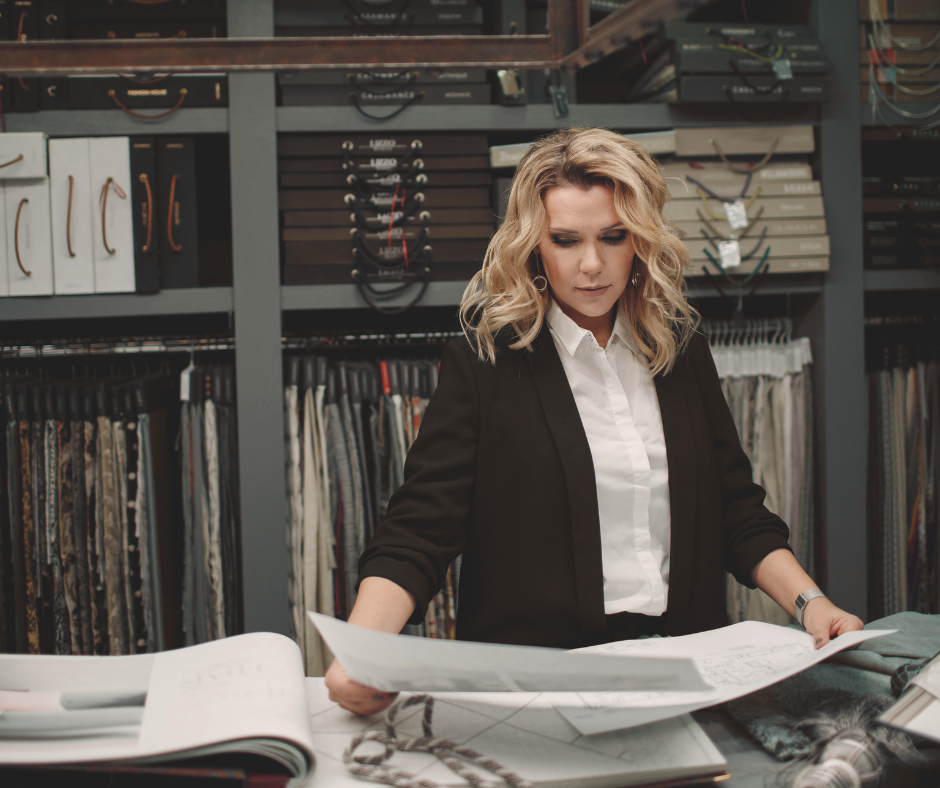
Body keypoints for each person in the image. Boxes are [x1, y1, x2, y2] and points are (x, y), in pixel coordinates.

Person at [325, 127, 863, 715]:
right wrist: (362, 652)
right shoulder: (486, 363)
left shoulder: (679, 349)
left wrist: (813, 605)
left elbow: (736, 509)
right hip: (538, 694)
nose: (592, 264)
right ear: (533, 245)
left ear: (641, 238)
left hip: (688, 676)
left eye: (613, 236)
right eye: (565, 240)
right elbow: (418, 532)